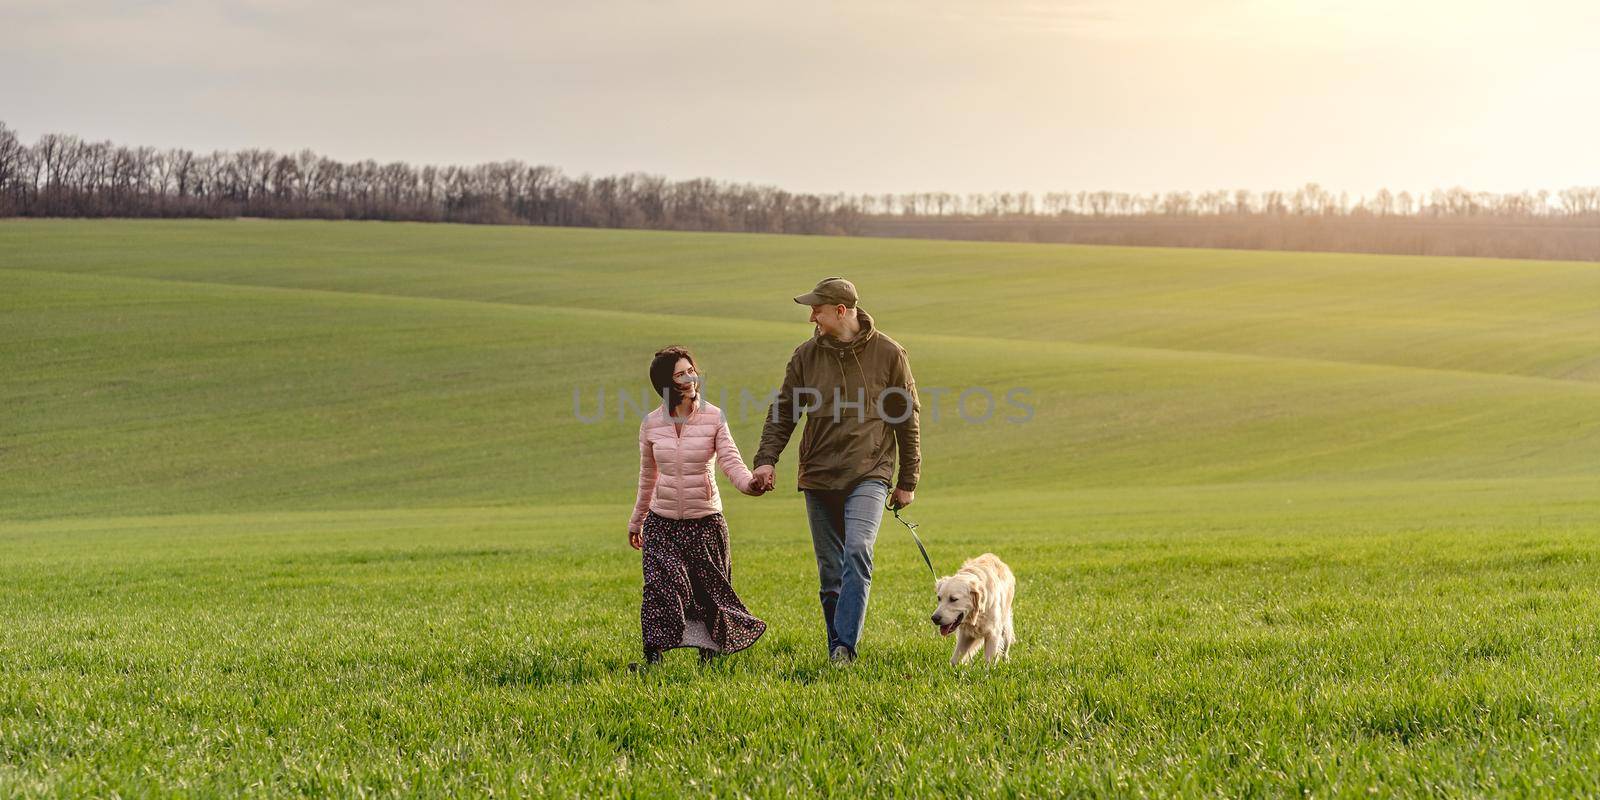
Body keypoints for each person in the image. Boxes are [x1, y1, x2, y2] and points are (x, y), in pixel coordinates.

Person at [752, 277, 921, 664]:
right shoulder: (805, 356)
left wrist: (908, 480)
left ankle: (845, 646)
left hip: (870, 471)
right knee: (831, 573)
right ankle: (836, 650)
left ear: (841, 311)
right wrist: (766, 459)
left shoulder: (890, 354)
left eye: (817, 309)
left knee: (858, 550)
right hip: (819, 473)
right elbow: (783, 412)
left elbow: (907, 418)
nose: (811, 316)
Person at [628, 345, 768, 667]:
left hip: (705, 521)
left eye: (692, 370)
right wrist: (637, 520)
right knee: (660, 587)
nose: (691, 378)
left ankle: (710, 659)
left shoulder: (713, 417)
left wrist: (749, 484)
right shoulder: (651, 424)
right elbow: (647, 476)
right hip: (661, 522)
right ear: (666, 383)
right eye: (681, 374)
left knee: (709, 594)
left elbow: (730, 460)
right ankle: (653, 659)